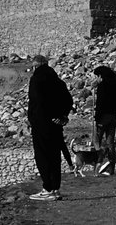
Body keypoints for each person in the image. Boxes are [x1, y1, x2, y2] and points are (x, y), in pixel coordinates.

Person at [27, 55, 74, 202]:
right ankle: (55, 188)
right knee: (55, 156)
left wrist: (32, 119)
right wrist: (61, 116)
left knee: (42, 156)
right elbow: (68, 99)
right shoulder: (58, 81)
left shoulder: (36, 80)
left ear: (35, 66)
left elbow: (37, 101)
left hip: (41, 123)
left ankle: (47, 188)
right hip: (56, 124)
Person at [93, 65, 116, 176]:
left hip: (103, 117)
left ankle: (97, 165)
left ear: (100, 76)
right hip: (112, 116)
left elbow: (100, 104)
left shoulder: (102, 86)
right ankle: (111, 167)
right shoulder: (114, 85)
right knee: (110, 143)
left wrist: (96, 118)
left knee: (97, 142)